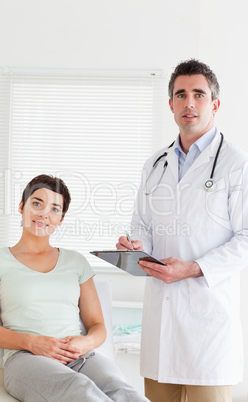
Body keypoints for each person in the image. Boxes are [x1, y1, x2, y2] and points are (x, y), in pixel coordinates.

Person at [116, 59, 248, 402]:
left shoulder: (236, 164)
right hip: (162, 326)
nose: (189, 102)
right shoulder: (155, 163)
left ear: (214, 104)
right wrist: (135, 246)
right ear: (171, 104)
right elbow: (142, 224)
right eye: (181, 94)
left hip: (209, 324)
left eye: (198, 94)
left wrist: (192, 269)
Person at [0, 174, 149, 402]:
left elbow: (97, 326)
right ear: (21, 207)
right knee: (80, 389)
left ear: (61, 219)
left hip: (79, 356)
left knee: (123, 390)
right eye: (37, 203)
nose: (44, 214)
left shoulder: (76, 262)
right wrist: (33, 343)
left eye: (55, 209)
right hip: (26, 359)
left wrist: (83, 343)